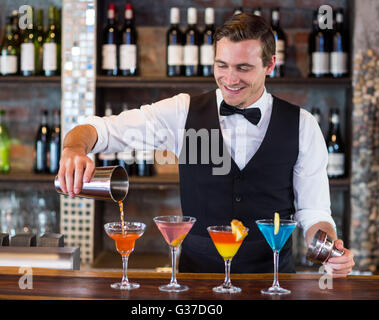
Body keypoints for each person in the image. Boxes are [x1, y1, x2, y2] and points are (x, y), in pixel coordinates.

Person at [57, 13, 354, 276]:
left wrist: (328, 249)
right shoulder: (182, 112)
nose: (229, 79)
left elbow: (314, 212)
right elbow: (101, 129)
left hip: (272, 280)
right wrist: (74, 148)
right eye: (221, 65)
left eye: (243, 68)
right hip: (197, 280)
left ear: (270, 65)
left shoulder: (302, 124)